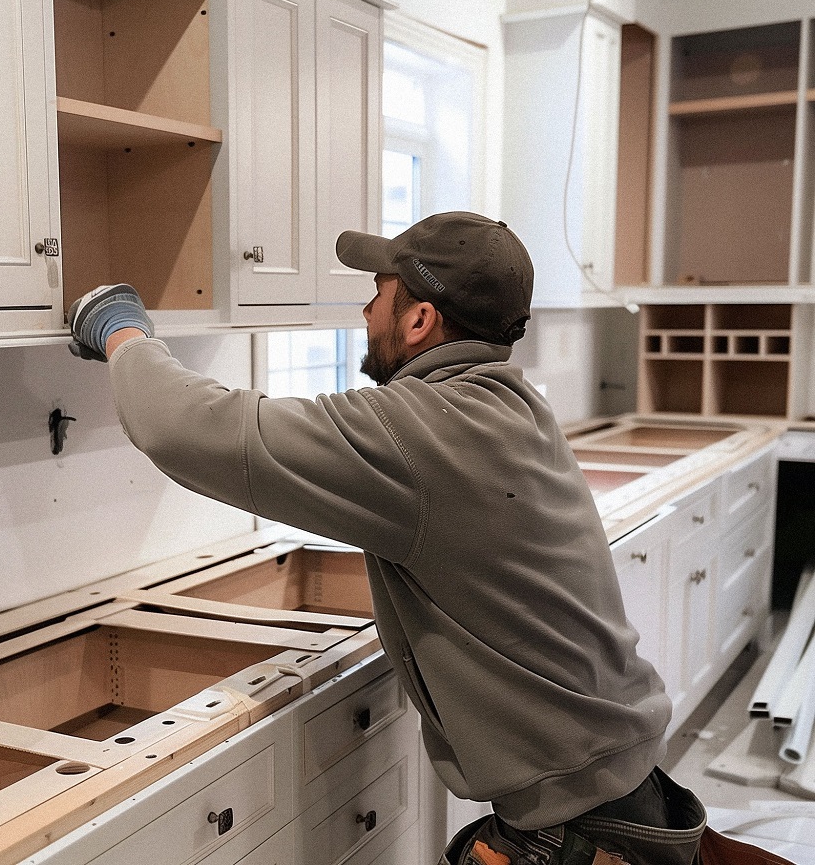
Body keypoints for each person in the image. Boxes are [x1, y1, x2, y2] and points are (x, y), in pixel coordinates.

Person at [68, 212, 708, 865]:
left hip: (584, 835)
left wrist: (120, 328)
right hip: (624, 796)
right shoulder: (509, 404)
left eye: (379, 291)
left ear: (420, 320)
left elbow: (184, 429)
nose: (367, 308)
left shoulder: (424, 430)